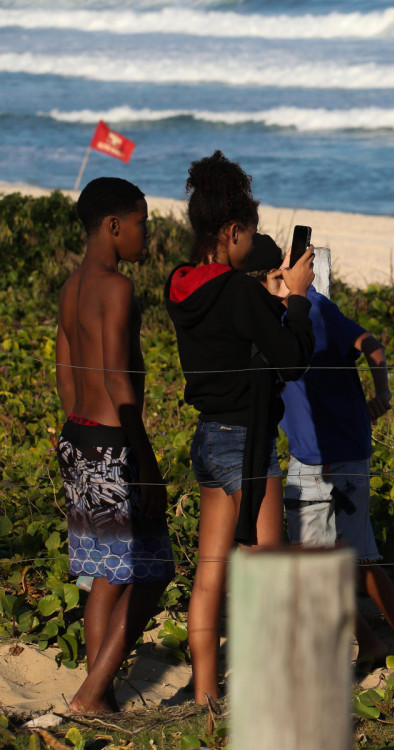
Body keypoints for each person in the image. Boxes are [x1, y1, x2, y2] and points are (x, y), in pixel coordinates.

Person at [244, 233, 394, 676]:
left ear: (274, 276)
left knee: (356, 562)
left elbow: (371, 345)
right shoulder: (272, 315)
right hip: (305, 458)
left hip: (344, 456)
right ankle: (371, 646)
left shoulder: (315, 309)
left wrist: (383, 393)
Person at [164, 151, 315, 705]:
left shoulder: (180, 284)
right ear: (232, 231)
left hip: (207, 438)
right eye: (250, 234)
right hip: (245, 443)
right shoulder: (238, 293)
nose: (254, 243)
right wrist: (295, 297)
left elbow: (235, 331)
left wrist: (267, 297)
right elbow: (292, 359)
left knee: (210, 573)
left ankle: (204, 694)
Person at [54, 177, 174, 713]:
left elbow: (64, 370)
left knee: (110, 572)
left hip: (78, 437)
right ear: (113, 225)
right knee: (145, 573)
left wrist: (77, 433)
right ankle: (90, 694)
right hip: (112, 445)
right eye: (142, 223)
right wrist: (144, 460)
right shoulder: (116, 288)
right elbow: (119, 378)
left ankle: (96, 692)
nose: (146, 235)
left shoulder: (72, 286)